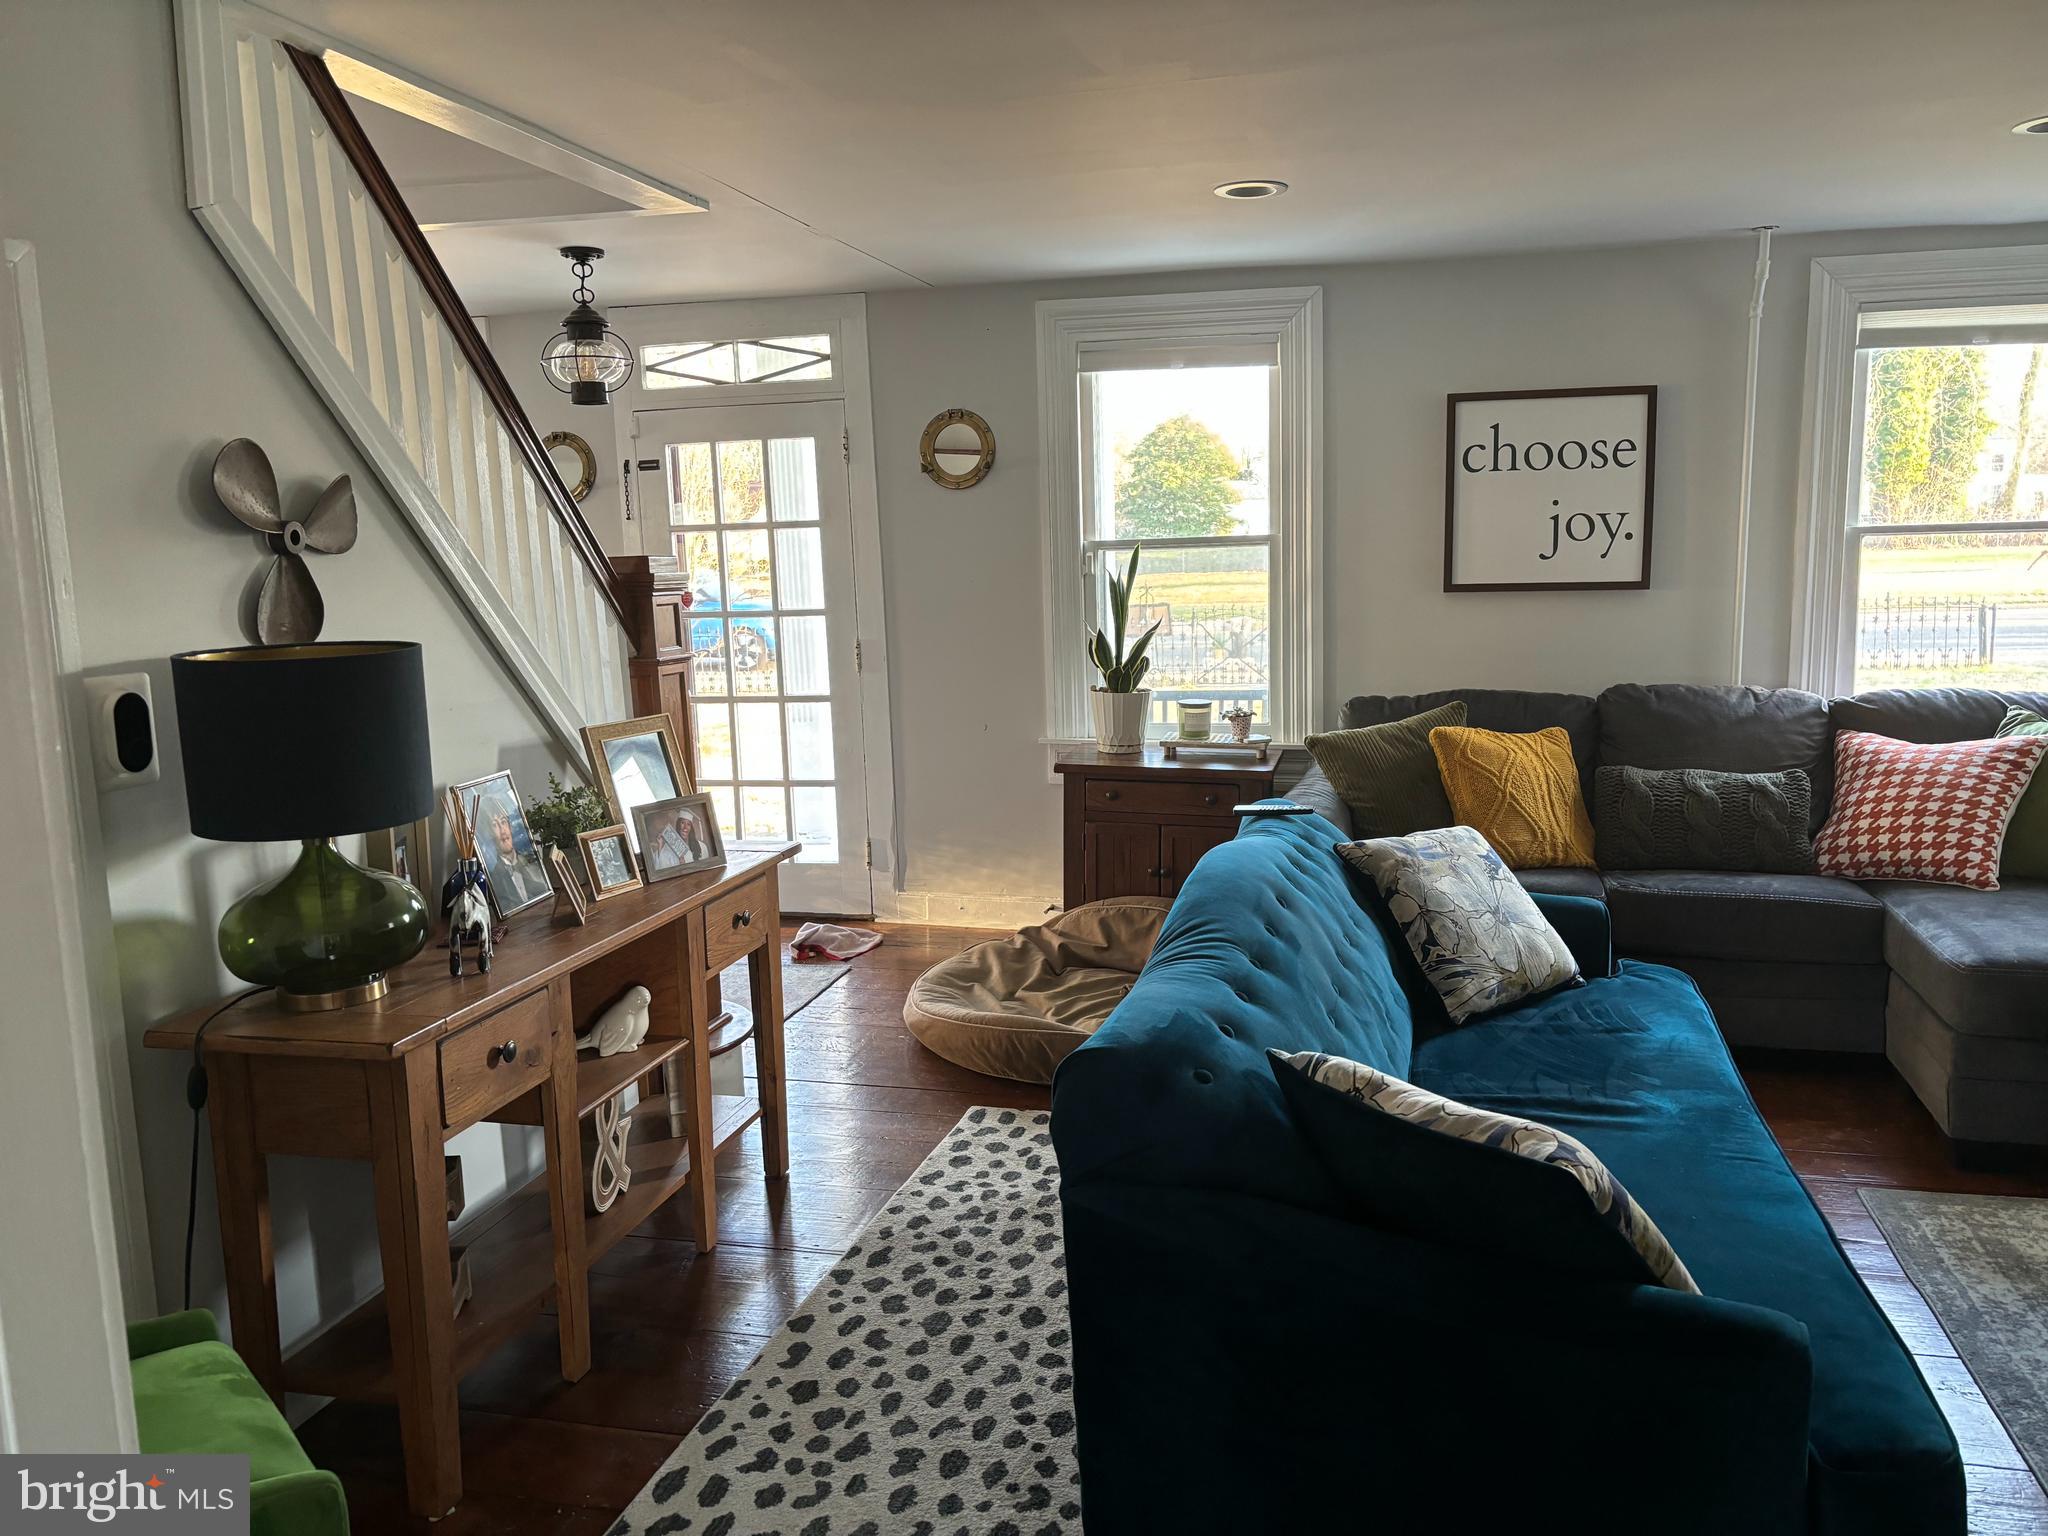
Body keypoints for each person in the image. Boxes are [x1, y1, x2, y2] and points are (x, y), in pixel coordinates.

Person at [478, 789, 549, 911]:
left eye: (503, 822)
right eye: (494, 825)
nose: (502, 830)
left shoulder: (533, 861)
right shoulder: (493, 878)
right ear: (489, 833)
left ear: (510, 826)